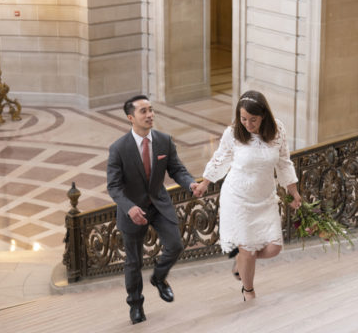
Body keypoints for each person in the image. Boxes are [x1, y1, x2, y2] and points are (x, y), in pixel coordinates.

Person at [193, 90, 302, 301]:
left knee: (274, 248)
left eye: (253, 120)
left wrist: (294, 192)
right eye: (243, 119)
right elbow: (220, 158)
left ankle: (243, 260)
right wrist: (205, 183)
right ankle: (248, 290)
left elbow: (284, 162)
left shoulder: (277, 130)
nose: (248, 124)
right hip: (237, 198)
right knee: (249, 249)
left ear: (264, 116)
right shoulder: (233, 132)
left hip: (264, 198)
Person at [107, 95, 198, 324]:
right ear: (131, 117)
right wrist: (129, 208)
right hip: (132, 210)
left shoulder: (164, 141)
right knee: (134, 262)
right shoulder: (118, 149)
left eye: (151, 110)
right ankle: (135, 305)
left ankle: (159, 278)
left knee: (176, 245)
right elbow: (114, 187)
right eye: (143, 111)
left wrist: (190, 183)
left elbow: (177, 169)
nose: (150, 115)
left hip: (159, 205)